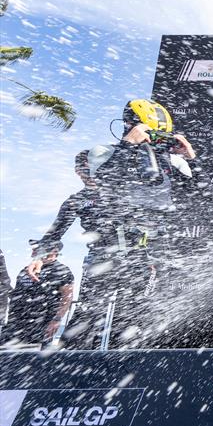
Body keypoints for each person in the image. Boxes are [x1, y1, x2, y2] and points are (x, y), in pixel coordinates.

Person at [68, 99, 200, 349]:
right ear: (130, 126)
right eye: (151, 133)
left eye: (161, 135)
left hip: (146, 255)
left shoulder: (173, 163)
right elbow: (106, 182)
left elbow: (202, 195)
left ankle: (125, 375)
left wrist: (190, 157)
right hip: (106, 253)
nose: (155, 140)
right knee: (86, 319)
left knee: (133, 321)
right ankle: (64, 377)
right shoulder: (104, 152)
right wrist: (129, 144)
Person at [24, 150, 108, 348]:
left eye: (95, 166)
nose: (91, 171)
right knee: (87, 314)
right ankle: (71, 360)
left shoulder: (124, 189)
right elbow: (55, 232)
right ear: (78, 172)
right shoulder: (77, 200)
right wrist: (40, 257)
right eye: (85, 168)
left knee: (132, 314)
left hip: (136, 259)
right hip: (99, 259)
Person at [1, 241, 73, 349]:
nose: (33, 252)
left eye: (37, 249)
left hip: (40, 325)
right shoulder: (26, 270)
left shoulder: (62, 271)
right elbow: (17, 292)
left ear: (53, 251)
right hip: (14, 324)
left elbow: (67, 297)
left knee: (33, 359)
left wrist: (57, 320)